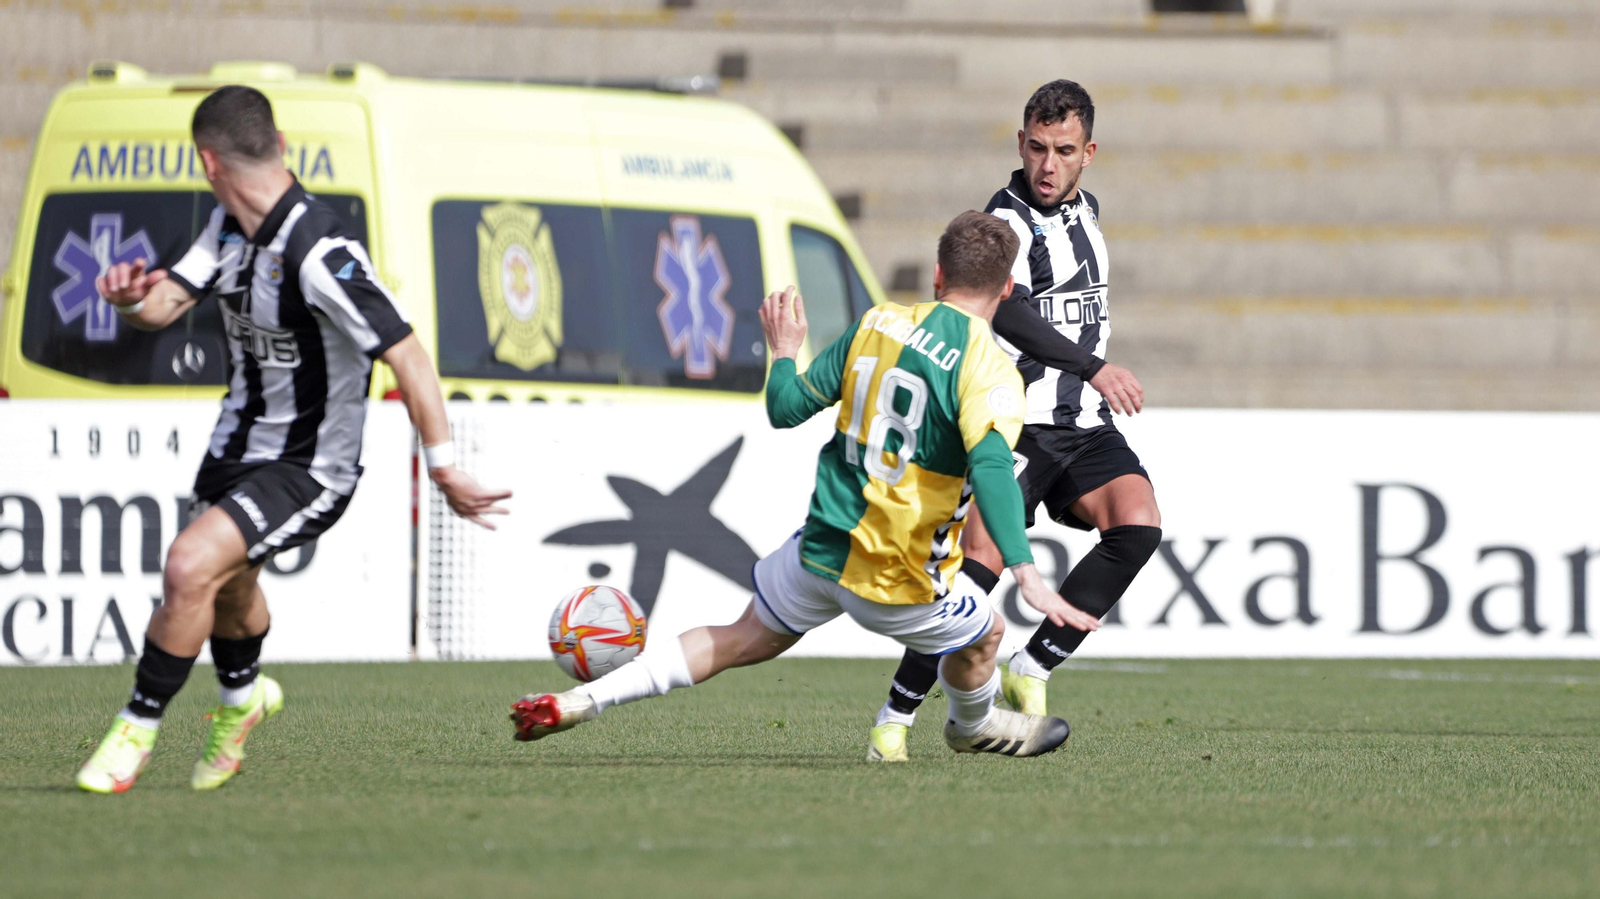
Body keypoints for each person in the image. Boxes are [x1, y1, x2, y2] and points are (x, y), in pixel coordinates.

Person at [509, 212, 1100, 758]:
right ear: (1006, 291)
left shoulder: (878, 322)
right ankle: (972, 728)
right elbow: (995, 470)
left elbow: (786, 408)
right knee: (987, 632)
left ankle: (582, 700)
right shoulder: (989, 368)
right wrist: (1027, 576)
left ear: (939, 273)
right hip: (897, 578)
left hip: (821, 549)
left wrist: (785, 352)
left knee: (737, 637)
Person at [74, 85, 510, 793]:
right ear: (278, 147)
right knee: (227, 583)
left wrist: (444, 466)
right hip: (236, 447)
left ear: (206, 160)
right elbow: (166, 303)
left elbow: (408, 353)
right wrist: (127, 298)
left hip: (309, 466)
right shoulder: (225, 229)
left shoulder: (318, 249)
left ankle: (137, 726)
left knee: (189, 566)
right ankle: (244, 699)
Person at [866, 80, 1162, 762]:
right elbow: (1014, 312)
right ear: (1020, 144)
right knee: (979, 568)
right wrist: (1092, 366)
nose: (1047, 166)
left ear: (1089, 152)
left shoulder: (1089, 212)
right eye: (1036, 148)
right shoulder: (1004, 224)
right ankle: (895, 715)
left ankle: (1034, 664)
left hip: (1082, 423)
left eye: (1063, 151)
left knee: (1139, 524)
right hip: (1013, 422)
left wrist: (1086, 382)